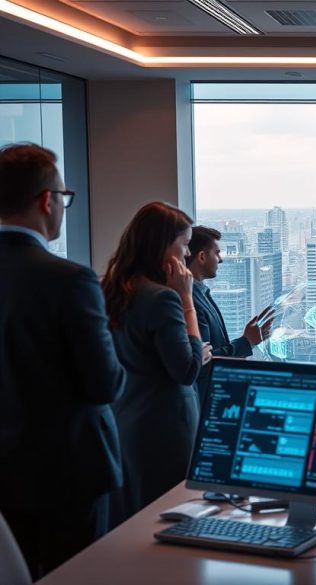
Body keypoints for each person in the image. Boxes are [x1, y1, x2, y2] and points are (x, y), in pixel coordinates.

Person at [0, 143, 126, 579]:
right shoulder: (69, 280)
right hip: (68, 474)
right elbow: (104, 384)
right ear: (47, 201)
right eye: (65, 197)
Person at [103, 202, 211, 516]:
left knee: (135, 518)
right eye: (184, 245)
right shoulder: (163, 297)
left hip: (127, 422)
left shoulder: (113, 288)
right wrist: (187, 299)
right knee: (171, 517)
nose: (188, 255)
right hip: (165, 429)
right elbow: (187, 369)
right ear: (163, 246)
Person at [186, 226, 275, 370]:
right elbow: (204, 362)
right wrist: (246, 342)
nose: (220, 260)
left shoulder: (199, 293)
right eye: (217, 253)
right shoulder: (191, 301)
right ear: (202, 256)